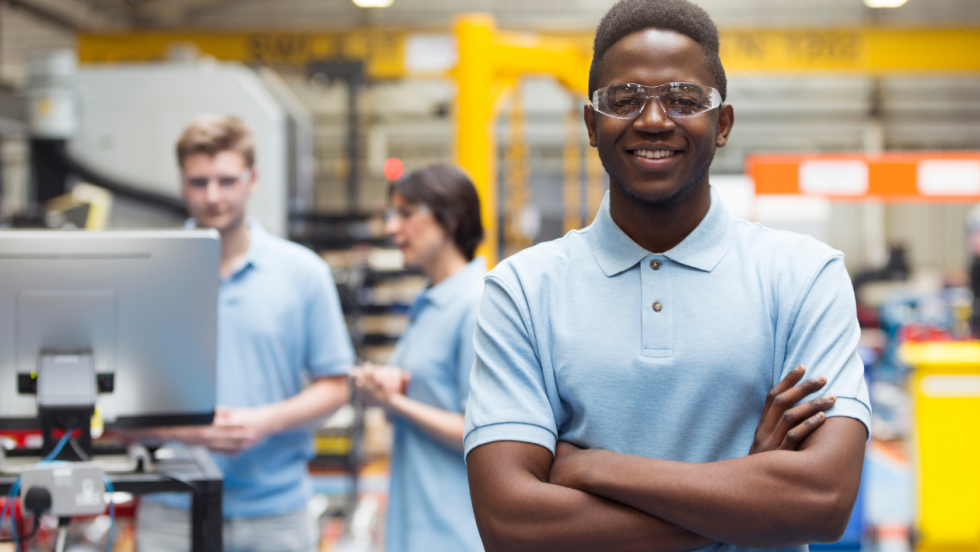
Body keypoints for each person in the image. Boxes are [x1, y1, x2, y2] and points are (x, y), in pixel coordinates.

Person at [464, 1, 871, 551]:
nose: (653, 119)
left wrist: (596, 468)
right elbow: (510, 524)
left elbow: (822, 503)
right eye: (624, 100)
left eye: (684, 100)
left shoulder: (803, 276)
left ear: (722, 123)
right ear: (592, 124)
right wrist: (745, 493)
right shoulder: (522, 290)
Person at [136, 115, 354, 552]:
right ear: (181, 183)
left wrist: (264, 422)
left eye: (226, 180)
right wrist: (195, 433)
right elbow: (116, 403)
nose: (213, 196)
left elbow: (336, 385)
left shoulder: (302, 273)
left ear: (253, 179)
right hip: (171, 507)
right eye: (199, 182)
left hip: (276, 514)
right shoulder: (146, 270)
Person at [351, 165, 486, 552]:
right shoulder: (430, 302)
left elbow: (480, 432)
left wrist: (392, 401)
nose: (392, 229)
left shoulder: (475, 303)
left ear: (450, 219)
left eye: (406, 214)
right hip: (417, 523)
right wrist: (391, 388)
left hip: (455, 530)